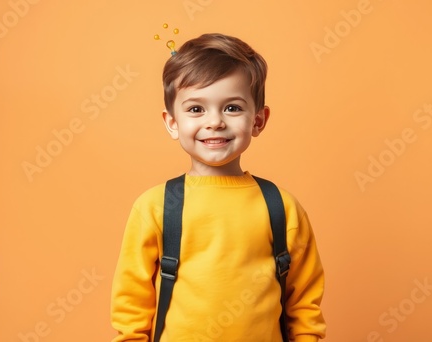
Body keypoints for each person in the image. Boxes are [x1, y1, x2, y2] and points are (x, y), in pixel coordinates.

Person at [111, 33, 326, 342]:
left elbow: (305, 300)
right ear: (172, 122)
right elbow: (131, 302)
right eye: (197, 109)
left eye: (232, 108)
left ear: (258, 120)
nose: (215, 122)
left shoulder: (281, 206)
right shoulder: (155, 206)